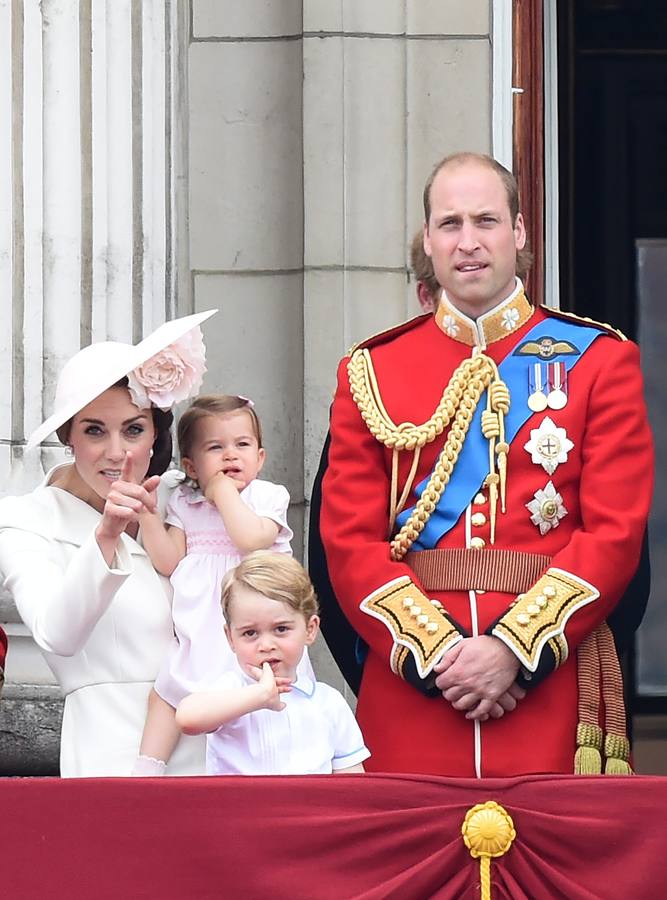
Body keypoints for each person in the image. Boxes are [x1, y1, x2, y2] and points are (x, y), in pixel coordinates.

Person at [311, 151, 653, 777]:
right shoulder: (371, 370)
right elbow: (346, 540)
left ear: (519, 233)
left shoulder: (599, 361)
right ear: (428, 240)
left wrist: (512, 651)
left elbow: (614, 533)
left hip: (547, 679)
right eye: (450, 224)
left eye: (486, 221)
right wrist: (438, 655)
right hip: (415, 682)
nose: (468, 243)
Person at [0, 311, 216, 776]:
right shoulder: (25, 518)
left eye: (133, 430)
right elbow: (56, 634)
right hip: (113, 759)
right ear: (68, 437)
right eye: (94, 430)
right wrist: (106, 536)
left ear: (156, 433)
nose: (116, 452)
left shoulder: (186, 499)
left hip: (224, 751)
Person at [133, 394, 311, 775]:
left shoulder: (267, 497)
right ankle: (146, 770)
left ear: (260, 458)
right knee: (167, 691)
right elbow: (168, 560)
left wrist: (224, 492)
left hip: (256, 628)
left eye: (242, 445)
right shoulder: (185, 503)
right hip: (204, 628)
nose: (231, 456)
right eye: (216, 448)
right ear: (191, 466)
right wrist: (149, 516)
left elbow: (250, 539)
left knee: (267, 698)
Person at [176, 551, 370, 775]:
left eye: (281, 629)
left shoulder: (329, 703)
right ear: (230, 638)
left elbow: (352, 781)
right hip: (242, 809)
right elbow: (187, 718)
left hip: (312, 810)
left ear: (310, 629)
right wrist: (260, 696)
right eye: (250, 633)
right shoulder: (232, 689)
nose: (266, 645)